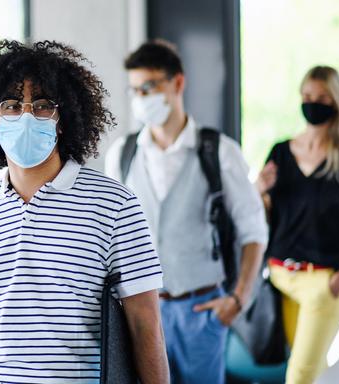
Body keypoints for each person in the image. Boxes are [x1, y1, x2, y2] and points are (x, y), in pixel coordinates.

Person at [0, 40, 169, 384]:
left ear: (62, 121)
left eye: (43, 105)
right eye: (12, 105)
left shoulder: (116, 205)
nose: (28, 115)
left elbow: (145, 322)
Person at [104, 40, 268, 383]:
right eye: (135, 90)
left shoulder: (219, 152)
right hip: (140, 310)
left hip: (202, 310)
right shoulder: (123, 154)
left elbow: (253, 231)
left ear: (177, 83)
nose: (141, 98)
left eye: (149, 87)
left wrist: (237, 300)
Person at [255, 65, 339, 383]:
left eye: (322, 97)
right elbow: (264, 220)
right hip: (282, 276)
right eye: (307, 96)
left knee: (301, 374)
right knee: (316, 369)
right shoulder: (281, 153)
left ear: (336, 101)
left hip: (325, 281)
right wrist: (260, 192)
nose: (313, 103)